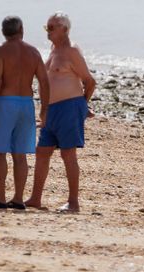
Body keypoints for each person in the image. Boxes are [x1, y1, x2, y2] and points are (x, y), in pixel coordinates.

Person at [27, 13, 96, 213]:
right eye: (46, 27)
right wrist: (43, 110)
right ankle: (35, 198)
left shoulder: (72, 51)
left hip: (69, 107)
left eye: (52, 27)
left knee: (68, 154)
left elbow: (89, 81)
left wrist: (82, 106)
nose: (48, 31)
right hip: (51, 110)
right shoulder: (53, 50)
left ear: (64, 29)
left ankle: (73, 202)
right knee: (42, 152)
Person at [0, 15, 48, 210]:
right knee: (20, 154)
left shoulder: (0, 50)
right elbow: (44, 81)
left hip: (5, 103)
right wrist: (44, 110)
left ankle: (0, 197)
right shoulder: (33, 52)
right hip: (26, 104)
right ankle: (18, 198)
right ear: (22, 30)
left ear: (3, 32)